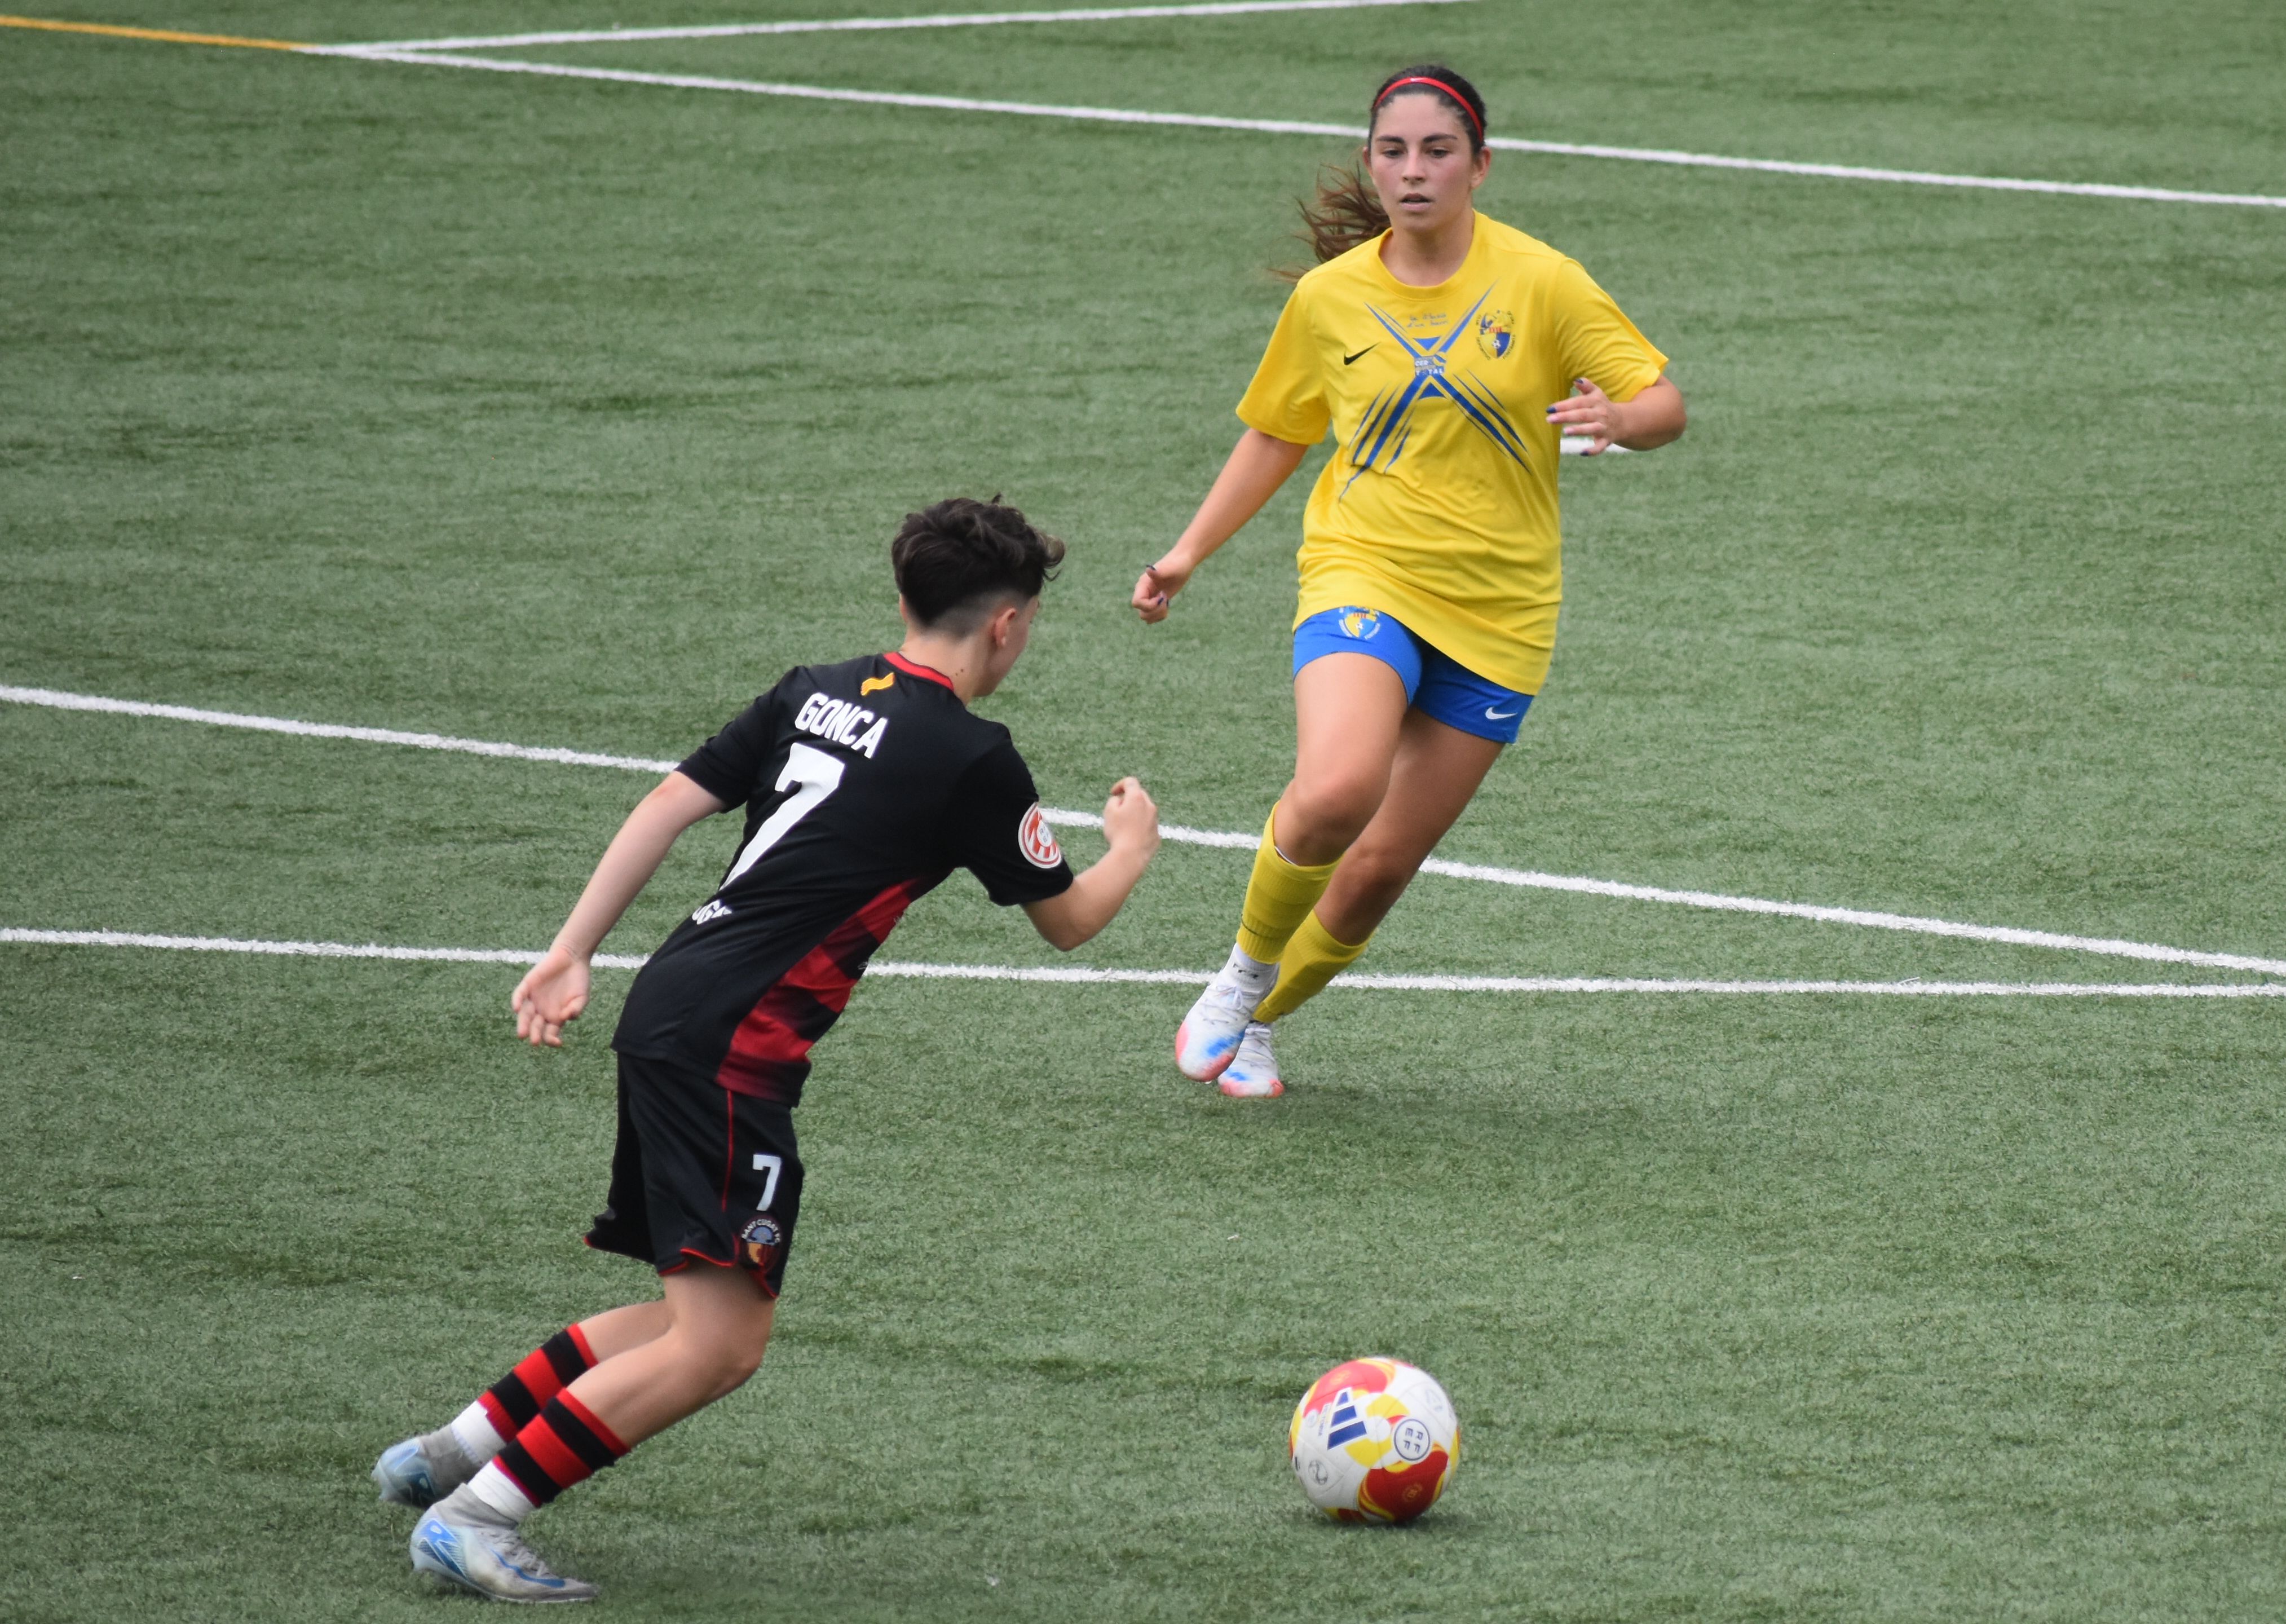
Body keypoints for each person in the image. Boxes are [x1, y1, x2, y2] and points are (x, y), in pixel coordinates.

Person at [372, 498, 1160, 1603]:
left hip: (669, 1005)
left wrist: (569, 951)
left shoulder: (815, 689)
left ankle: (449, 1453)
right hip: (732, 1054)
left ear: (901, 602)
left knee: (688, 1316)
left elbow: (667, 804)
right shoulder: (972, 756)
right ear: (1010, 626)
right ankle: (476, 1514)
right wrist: (1131, 849)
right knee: (721, 1349)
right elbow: (1070, 918)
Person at [1135, 64, 1685, 1098]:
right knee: (1337, 788)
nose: (1413, 169)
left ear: (1481, 165)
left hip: (1502, 608)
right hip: (1363, 567)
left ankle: (1259, 1022)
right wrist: (1187, 552)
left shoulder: (1545, 282)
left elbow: (1662, 401)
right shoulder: (1330, 297)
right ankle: (1243, 971)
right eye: (1393, 150)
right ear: (1370, 163)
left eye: (1437, 151)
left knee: (1379, 870)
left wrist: (1621, 421)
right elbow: (1276, 431)